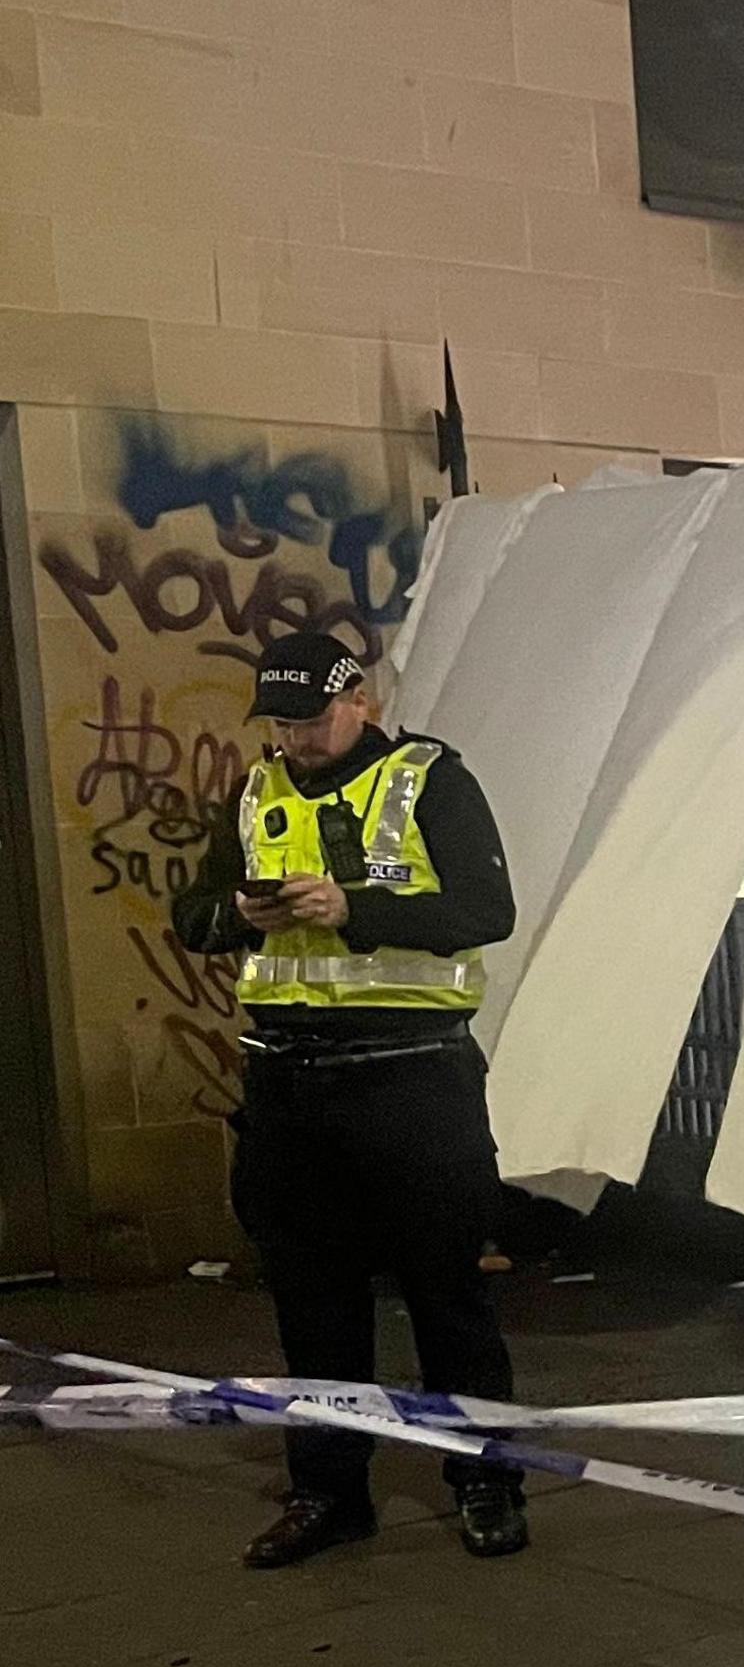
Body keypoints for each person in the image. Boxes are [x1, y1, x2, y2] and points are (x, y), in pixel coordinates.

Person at [170, 632, 526, 1568]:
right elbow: (193, 915)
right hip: (291, 1084)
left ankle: (485, 1477)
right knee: (313, 1307)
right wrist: (235, 917)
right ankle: (330, 1491)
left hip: (412, 1076)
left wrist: (352, 910)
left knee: (449, 1296)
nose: (294, 739)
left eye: (310, 718)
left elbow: (487, 911)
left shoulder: (429, 778)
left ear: (357, 699)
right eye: (279, 723)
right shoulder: (256, 791)